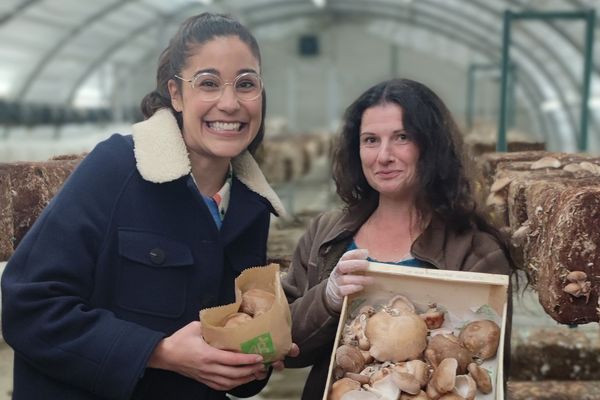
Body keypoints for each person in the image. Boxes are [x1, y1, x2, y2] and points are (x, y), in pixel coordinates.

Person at [1, 12, 298, 400]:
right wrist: (159, 353)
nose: (230, 103)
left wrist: (255, 356)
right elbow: (29, 307)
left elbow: (227, 348)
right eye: (208, 83)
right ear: (175, 93)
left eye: (246, 84)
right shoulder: (116, 169)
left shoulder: (249, 205)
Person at [282, 78, 517, 399]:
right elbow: (285, 348)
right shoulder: (325, 234)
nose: (383, 155)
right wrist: (327, 299)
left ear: (431, 146)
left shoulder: (477, 251)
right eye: (370, 140)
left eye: (402, 137)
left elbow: (487, 368)